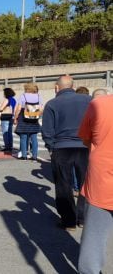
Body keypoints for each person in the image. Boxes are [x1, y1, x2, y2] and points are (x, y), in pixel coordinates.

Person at [42, 75, 91, 231]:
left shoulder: (52, 104)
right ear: (73, 86)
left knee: (63, 184)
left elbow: (47, 130)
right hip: (84, 146)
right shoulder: (88, 100)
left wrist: (51, 147)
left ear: (57, 87)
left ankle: (69, 220)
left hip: (61, 147)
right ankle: (83, 218)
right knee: (85, 184)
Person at [77, 94, 113, 274]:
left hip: (102, 178)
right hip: (102, 177)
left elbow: (85, 138)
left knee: (94, 236)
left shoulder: (99, 104)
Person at [14, 83, 42, 160]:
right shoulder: (38, 96)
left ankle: (24, 156)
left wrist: (15, 118)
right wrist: (37, 116)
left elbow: (19, 108)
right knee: (34, 137)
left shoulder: (23, 96)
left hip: (24, 118)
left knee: (23, 137)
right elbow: (41, 109)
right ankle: (34, 156)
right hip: (34, 119)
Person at [0, 88, 17, 153]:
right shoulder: (14, 100)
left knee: (5, 132)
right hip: (11, 117)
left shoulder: (6, 99)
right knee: (9, 132)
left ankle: (7, 147)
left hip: (5, 117)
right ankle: (10, 146)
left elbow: (1, 108)